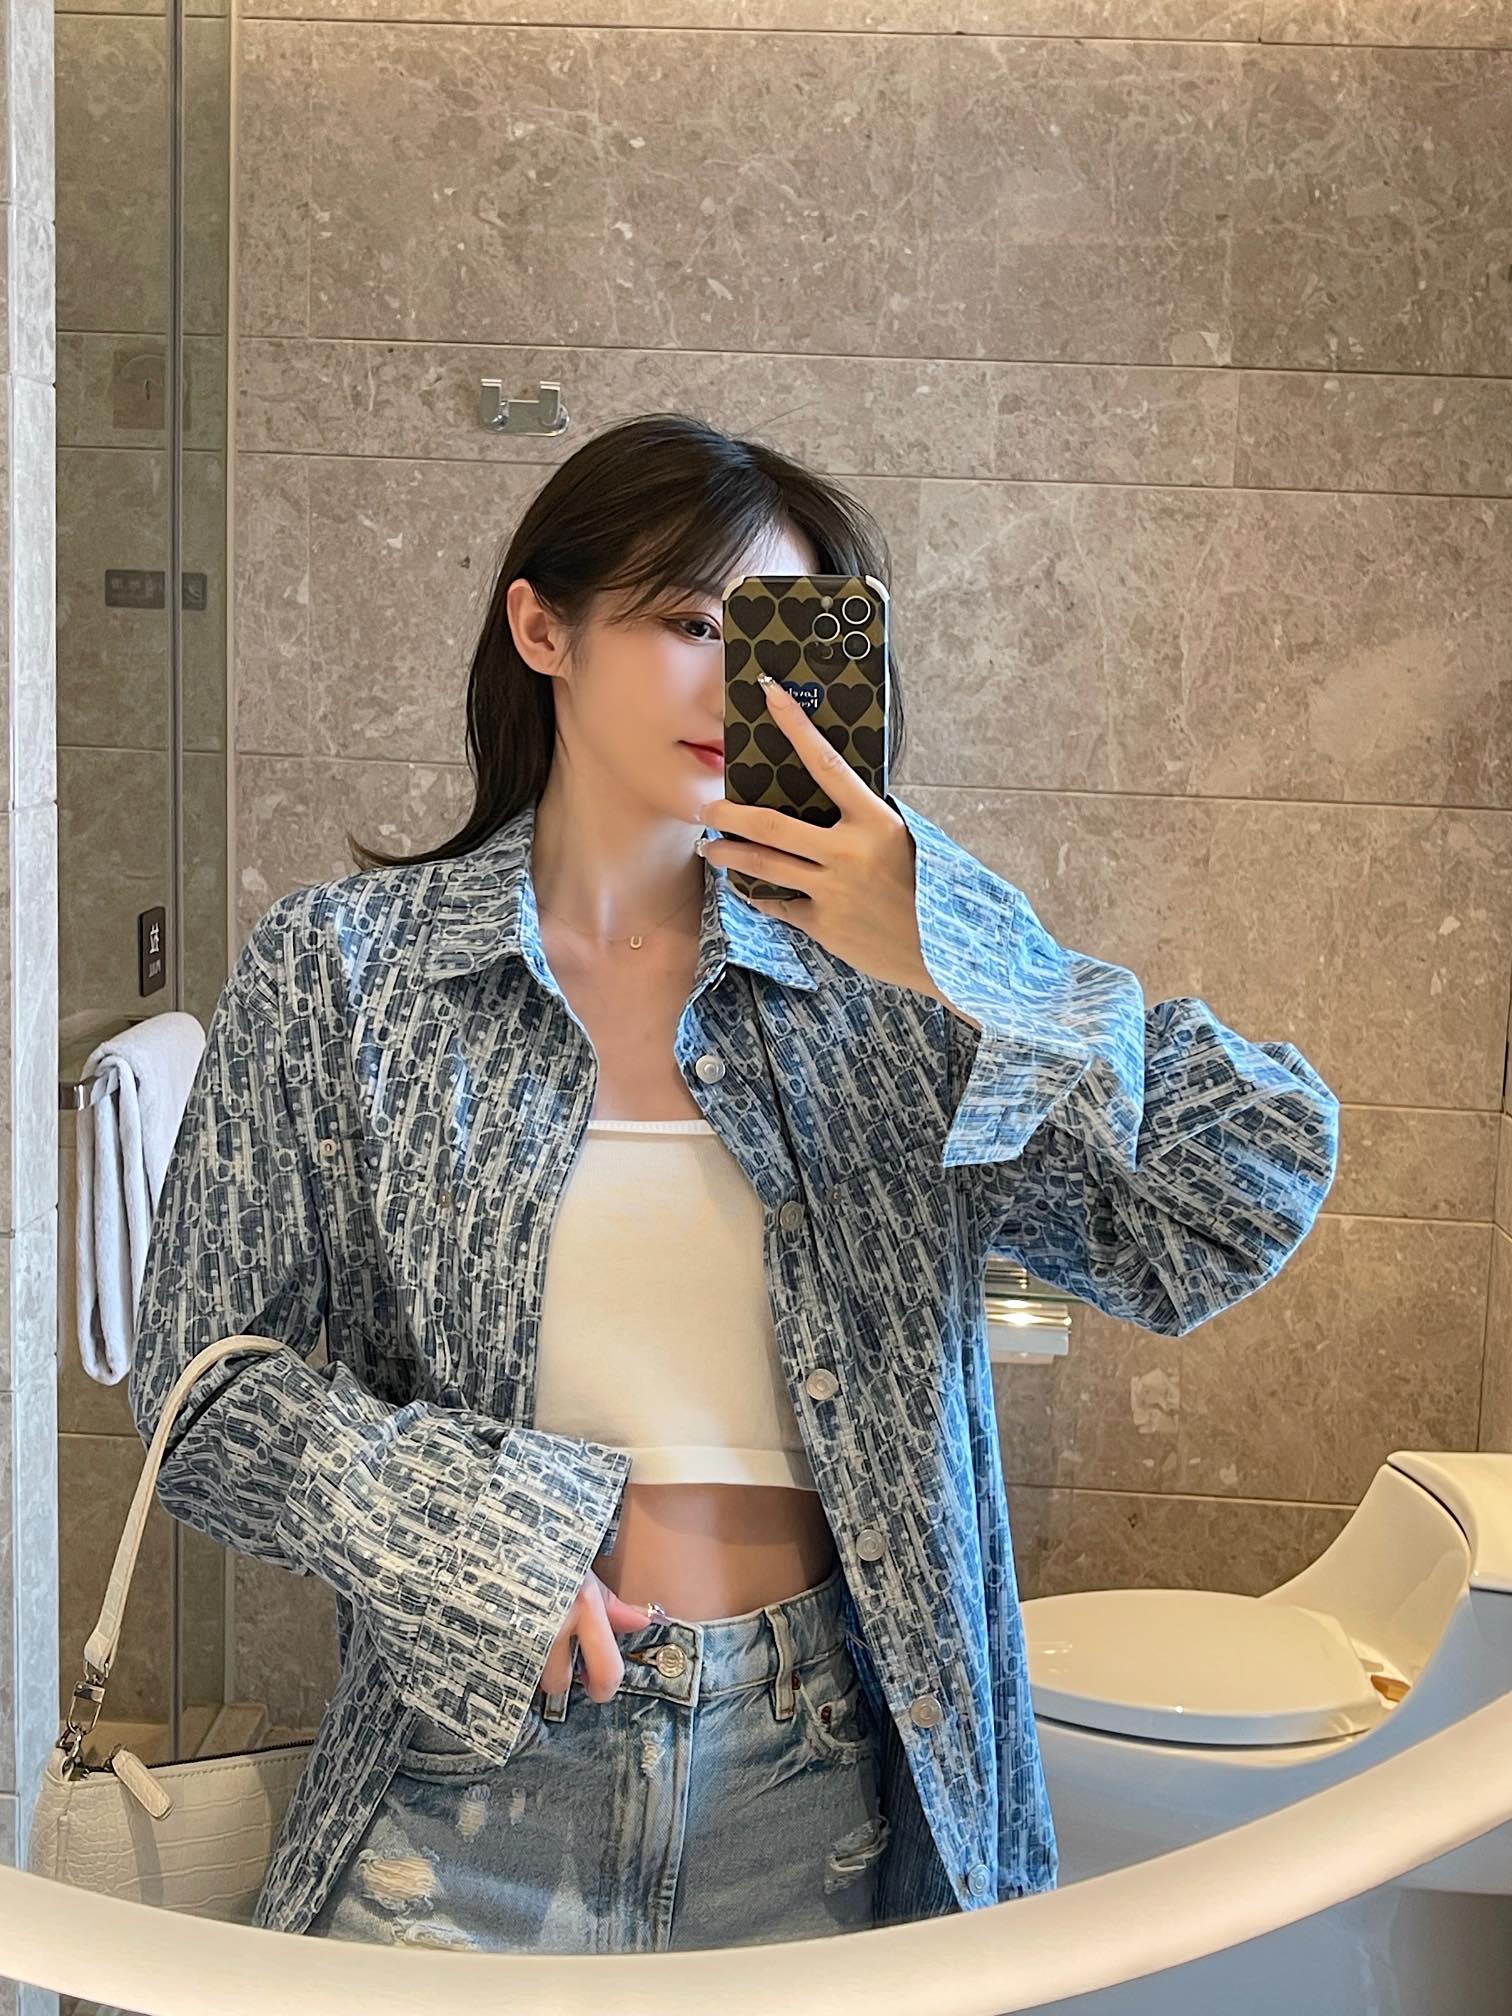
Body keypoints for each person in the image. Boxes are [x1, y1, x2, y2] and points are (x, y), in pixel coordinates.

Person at [129, 409, 1340, 1954]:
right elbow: (201, 1391)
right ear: (543, 629)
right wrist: (466, 1535)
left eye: (781, 642)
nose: (741, 687)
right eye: (693, 625)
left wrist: (970, 955)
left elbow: (1237, 1199)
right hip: (467, 1785)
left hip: (813, 1789)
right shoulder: (343, 972)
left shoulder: (894, 1001)